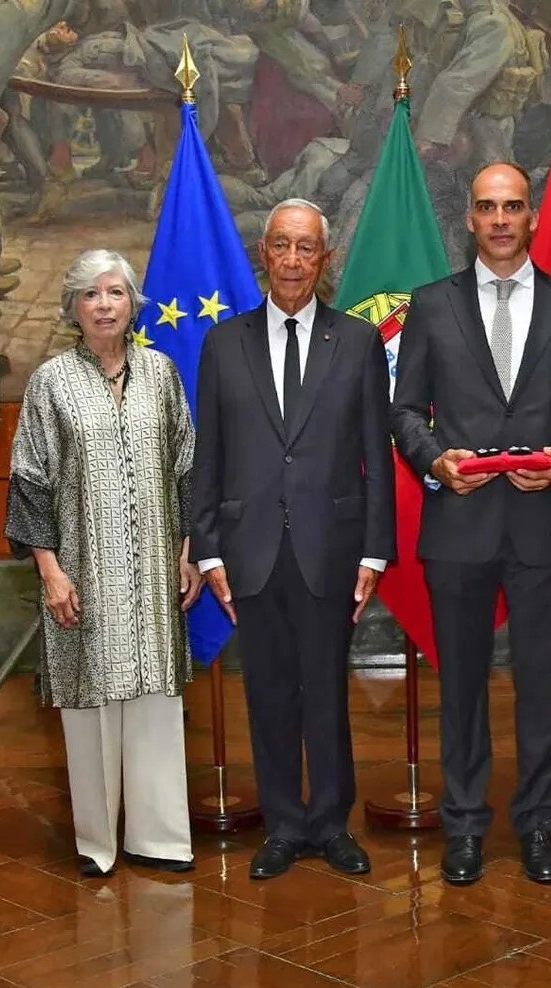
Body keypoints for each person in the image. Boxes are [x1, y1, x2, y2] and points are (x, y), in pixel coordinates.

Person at [390, 161, 551, 887]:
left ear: (531, 216)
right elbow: (404, 410)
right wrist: (434, 460)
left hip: (544, 521)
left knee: (542, 685)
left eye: (513, 206)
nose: (501, 219)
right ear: (470, 219)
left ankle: (540, 826)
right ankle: (463, 827)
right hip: (460, 522)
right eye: (487, 207)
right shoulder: (431, 305)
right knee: (462, 688)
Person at [191, 198, 394, 880]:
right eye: (282, 245)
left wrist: (374, 550)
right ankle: (282, 826)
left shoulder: (357, 342)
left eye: (307, 248)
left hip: (330, 548)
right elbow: (209, 455)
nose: (293, 260)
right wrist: (208, 548)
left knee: (328, 693)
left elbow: (376, 454)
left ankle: (331, 824)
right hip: (249, 551)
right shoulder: (224, 344)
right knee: (268, 693)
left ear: (325, 260)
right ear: (264, 252)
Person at [4, 249, 202, 878]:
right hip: (80, 577)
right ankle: (97, 842)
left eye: (115, 292)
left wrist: (188, 553)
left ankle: (160, 837)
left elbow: (187, 467)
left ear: (133, 303)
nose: (104, 305)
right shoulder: (51, 382)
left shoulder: (162, 374)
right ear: (73, 307)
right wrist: (50, 571)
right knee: (89, 707)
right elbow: (29, 482)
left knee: (155, 702)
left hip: (156, 575)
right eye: (90, 294)